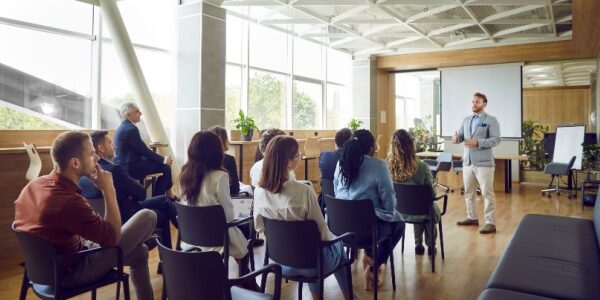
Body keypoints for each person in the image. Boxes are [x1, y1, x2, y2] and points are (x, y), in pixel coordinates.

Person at [14, 131, 156, 300]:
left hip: (42, 268)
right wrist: (108, 189)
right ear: (74, 162)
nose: (97, 157)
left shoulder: (34, 185)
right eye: (91, 153)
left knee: (140, 252)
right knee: (148, 215)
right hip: (71, 271)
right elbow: (112, 238)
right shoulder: (68, 201)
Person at [253, 136, 351, 300]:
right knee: (337, 246)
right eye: (297, 155)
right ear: (289, 162)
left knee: (312, 249)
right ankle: (349, 298)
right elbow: (322, 233)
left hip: (280, 264)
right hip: (313, 265)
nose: (299, 157)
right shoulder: (304, 191)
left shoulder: (259, 192)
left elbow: (259, 227)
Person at [179, 131, 256, 288]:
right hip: (218, 235)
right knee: (243, 251)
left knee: (237, 240)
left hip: (191, 235)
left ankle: (245, 284)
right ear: (216, 152)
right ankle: (245, 284)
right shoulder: (220, 176)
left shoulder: (184, 174)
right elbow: (228, 214)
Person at [79, 130, 178, 249]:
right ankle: (185, 237)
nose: (114, 146)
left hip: (103, 223)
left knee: (163, 201)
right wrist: (130, 193)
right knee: (162, 209)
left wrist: (128, 194)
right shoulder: (114, 170)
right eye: (110, 143)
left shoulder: (82, 174)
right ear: (101, 148)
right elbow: (141, 194)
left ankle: (170, 256)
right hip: (127, 217)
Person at [333, 129, 404, 290]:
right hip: (367, 231)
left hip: (341, 230)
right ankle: (372, 266)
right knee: (398, 222)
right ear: (371, 148)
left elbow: (337, 192)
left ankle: (369, 255)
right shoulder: (379, 165)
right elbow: (389, 203)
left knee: (369, 217)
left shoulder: (340, 164)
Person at [452, 92, 501, 234]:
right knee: (468, 192)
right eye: (473, 101)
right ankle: (472, 217)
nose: (474, 104)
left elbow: (496, 139)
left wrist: (478, 142)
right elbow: (460, 137)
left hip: (484, 163)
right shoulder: (466, 120)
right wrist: (455, 138)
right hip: (467, 162)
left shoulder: (491, 120)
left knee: (487, 193)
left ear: (484, 104)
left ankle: (490, 223)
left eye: (477, 102)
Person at [388, 129, 441, 255]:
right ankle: (431, 245)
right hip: (422, 212)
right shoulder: (422, 167)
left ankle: (418, 244)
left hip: (398, 212)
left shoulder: (387, 167)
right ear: (411, 146)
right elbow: (431, 194)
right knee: (428, 208)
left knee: (420, 207)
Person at [113, 102, 173, 197]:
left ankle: (166, 197)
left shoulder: (122, 127)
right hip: (130, 167)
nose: (140, 113)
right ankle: (158, 198)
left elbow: (140, 150)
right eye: (137, 111)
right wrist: (163, 159)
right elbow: (144, 151)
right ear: (127, 114)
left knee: (163, 164)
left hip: (123, 164)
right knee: (165, 167)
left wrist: (161, 160)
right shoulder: (131, 129)